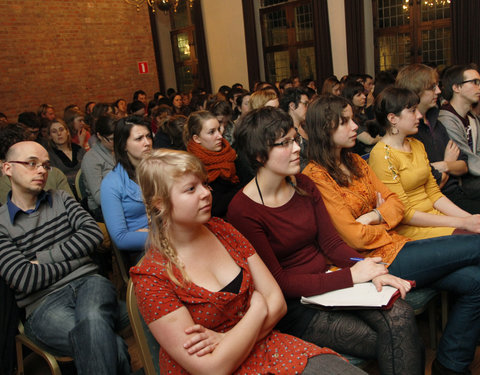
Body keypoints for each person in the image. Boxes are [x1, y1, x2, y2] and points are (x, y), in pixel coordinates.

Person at [130, 148, 366, 375]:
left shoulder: (223, 230)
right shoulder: (152, 276)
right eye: (191, 189)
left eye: (204, 184)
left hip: (268, 347)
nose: (205, 193)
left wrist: (226, 339)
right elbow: (212, 368)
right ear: (159, 203)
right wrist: (258, 309)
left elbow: (278, 303)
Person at [227, 107, 422, 374]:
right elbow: (279, 282)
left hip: (332, 282)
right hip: (296, 306)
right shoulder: (243, 210)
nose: (297, 148)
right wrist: (353, 276)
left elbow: (331, 244)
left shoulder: (303, 184)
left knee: (402, 317)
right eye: (285, 143)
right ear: (260, 155)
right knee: (394, 340)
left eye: (296, 139)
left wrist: (370, 269)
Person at [302, 94, 480, 375]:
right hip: (372, 263)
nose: (355, 127)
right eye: (345, 121)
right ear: (325, 129)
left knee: (475, 281)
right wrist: (384, 217)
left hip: (398, 245)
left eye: (353, 119)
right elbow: (354, 238)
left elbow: (395, 203)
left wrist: (374, 216)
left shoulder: (356, 163)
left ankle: (450, 365)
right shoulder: (316, 176)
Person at [0, 141, 130, 375]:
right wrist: (79, 258)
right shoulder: (1, 224)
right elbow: (24, 279)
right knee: (113, 344)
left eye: (45, 165)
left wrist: (44, 259)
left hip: (91, 283)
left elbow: (93, 235)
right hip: (43, 305)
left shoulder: (60, 198)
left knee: (93, 320)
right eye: (32, 163)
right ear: (7, 168)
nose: (41, 170)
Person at [368, 87, 480, 240]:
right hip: (412, 230)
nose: (419, 115)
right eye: (413, 111)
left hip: (435, 219)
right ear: (393, 118)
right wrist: (462, 223)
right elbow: (403, 213)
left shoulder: (416, 145)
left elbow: (434, 194)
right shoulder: (381, 155)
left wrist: (470, 219)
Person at [395, 63, 480, 214]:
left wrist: (445, 165)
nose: (439, 91)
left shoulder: (437, 122)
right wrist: (449, 164)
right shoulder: (410, 132)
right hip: (439, 202)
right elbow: (429, 185)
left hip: (456, 193)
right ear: (416, 91)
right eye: (432, 87)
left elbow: (464, 165)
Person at [101, 116, 152, 260]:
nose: (147, 143)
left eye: (148, 136)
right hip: (143, 251)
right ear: (124, 145)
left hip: (173, 237)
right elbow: (121, 239)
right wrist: (159, 236)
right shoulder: (111, 183)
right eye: (139, 138)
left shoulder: (160, 170)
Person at [184, 111, 241, 218]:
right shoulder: (192, 167)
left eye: (219, 129)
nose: (219, 136)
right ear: (197, 138)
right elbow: (213, 207)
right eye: (211, 132)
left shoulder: (230, 154)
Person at [0, 123, 73, 204]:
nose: (42, 171)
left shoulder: (55, 174)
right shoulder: (4, 183)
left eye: (46, 165)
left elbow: (73, 208)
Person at [438, 64, 480, 199]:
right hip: (458, 183)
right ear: (456, 87)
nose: (478, 87)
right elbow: (466, 158)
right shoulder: (445, 119)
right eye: (474, 82)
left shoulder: (472, 117)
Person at [81, 114, 116, 221]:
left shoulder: (118, 150)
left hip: (122, 200)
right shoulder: (91, 158)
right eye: (111, 139)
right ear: (99, 136)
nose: (116, 142)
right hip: (102, 209)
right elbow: (99, 197)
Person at [46, 118, 85, 197]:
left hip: (85, 191)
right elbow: (54, 180)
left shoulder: (79, 149)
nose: (59, 133)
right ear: (50, 136)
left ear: (67, 132)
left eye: (61, 129)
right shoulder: (49, 156)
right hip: (65, 195)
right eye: (54, 131)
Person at [279, 87, 310, 170]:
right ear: (292, 106)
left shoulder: (306, 127)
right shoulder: (285, 133)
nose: (308, 108)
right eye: (305, 104)